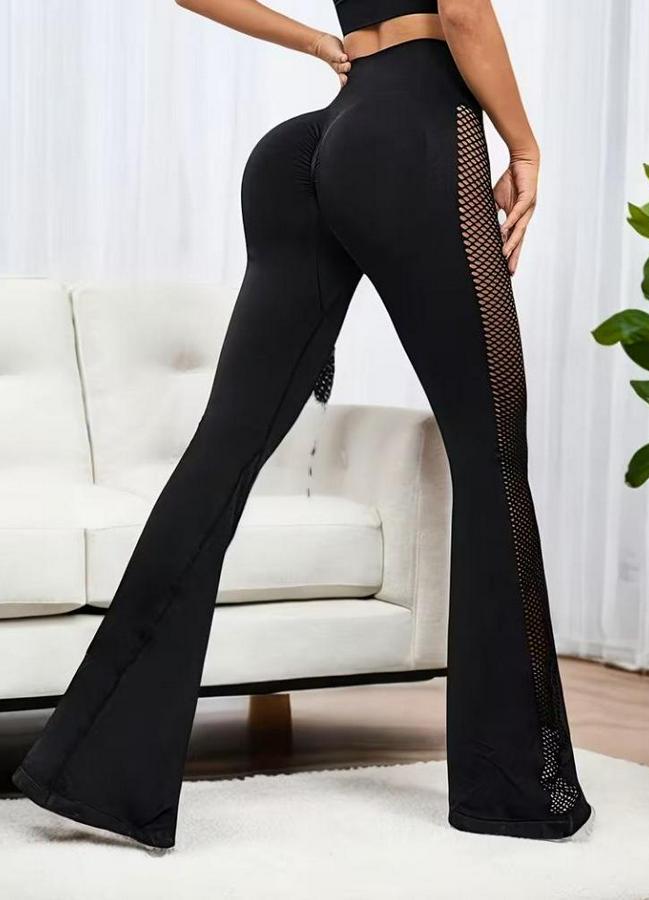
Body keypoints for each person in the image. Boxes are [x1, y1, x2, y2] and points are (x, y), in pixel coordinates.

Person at [12, 0, 594, 851]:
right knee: (490, 455)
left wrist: (322, 41)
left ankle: (90, 772)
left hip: (311, 145)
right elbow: (464, 14)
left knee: (220, 456)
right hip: (414, 130)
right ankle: (514, 790)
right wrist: (526, 147)